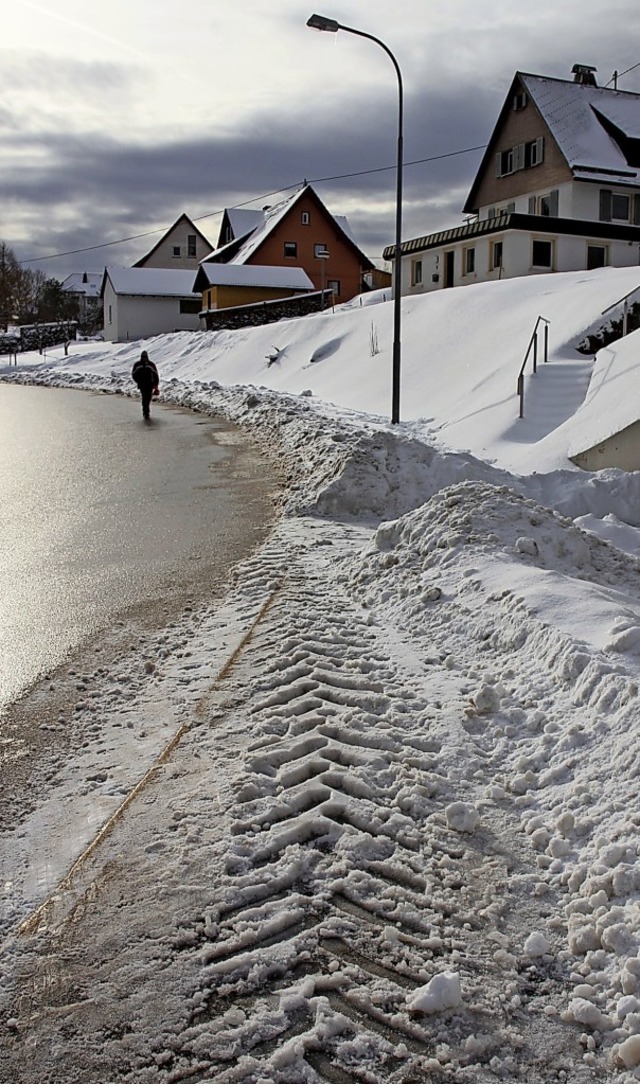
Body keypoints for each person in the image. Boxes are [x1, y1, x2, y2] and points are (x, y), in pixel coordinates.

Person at [131, 350, 159, 420]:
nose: (144, 358)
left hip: (150, 384)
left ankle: (147, 409)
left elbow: (156, 375)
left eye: (145, 357)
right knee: (144, 397)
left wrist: (156, 385)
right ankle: (145, 412)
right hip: (142, 384)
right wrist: (138, 381)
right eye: (143, 357)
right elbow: (134, 374)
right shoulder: (137, 365)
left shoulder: (151, 365)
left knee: (149, 398)